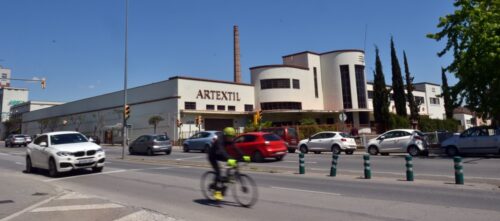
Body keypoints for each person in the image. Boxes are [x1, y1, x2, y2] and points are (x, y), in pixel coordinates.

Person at [207, 127, 249, 201]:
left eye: (232, 137)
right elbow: (222, 151)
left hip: (220, 155)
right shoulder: (220, 140)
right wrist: (229, 159)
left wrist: (244, 155)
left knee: (233, 163)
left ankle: (226, 180)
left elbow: (236, 148)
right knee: (218, 172)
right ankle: (217, 191)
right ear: (225, 135)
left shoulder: (230, 140)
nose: (231, 138)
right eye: (229, 137)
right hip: (212, 155)